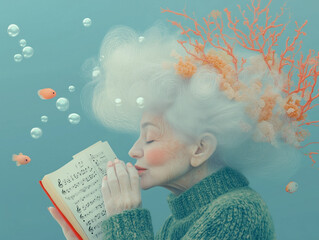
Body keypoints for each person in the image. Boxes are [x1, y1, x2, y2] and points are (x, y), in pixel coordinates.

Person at [48, 2, 318, 239]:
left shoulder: (237, 212)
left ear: (200, 148)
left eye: (150, 137)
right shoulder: (177, 222)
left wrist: (126, 218)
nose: (134, 151)